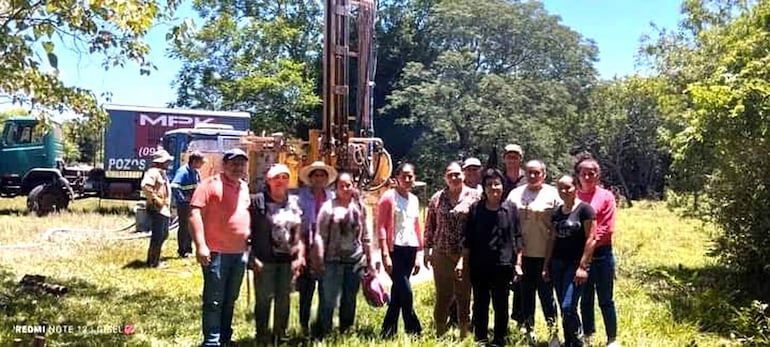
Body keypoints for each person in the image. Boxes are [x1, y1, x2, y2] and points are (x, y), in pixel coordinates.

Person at [189, 148, 251, 346]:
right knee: (214, 300)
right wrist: (200, 245)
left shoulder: (244, 187)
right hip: (216, 252)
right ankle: (212, 341)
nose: (237, 167)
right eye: (233, 163)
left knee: (230, 298)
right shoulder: (209, 185)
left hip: (239, 253)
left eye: (241, 164)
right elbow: (194, 214)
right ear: (224, 165)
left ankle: (225, 337)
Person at [463, 168, 522, 346]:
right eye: (489, 184)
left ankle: (499, 338)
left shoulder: (510, 209)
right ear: (484, 188)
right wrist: (463, 263)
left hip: (503, 265)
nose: (493, 187)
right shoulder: (475, 209)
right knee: (480, 303)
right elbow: (468, 238)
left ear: (502, 186)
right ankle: (481, 338)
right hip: (479, 264)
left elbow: (518, 237)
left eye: (497, 184)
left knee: (501, 303)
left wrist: (518, 263)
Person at [249, 163, 305, 345]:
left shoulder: (294, 202)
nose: (281, 181)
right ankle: (262, 336)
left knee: (284, 300)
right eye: (276, 178)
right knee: (264, 300)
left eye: (284, 177)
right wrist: (251, 257)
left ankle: (280, 334)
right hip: (264, 260)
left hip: (287, 261)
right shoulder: (257, 201)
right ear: (268, 180)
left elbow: (299, 231)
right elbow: (246, 231)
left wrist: (299, 256)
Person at [314, 172, 375, 337]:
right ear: (336, 188)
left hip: (354, 261)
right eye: (342, 186)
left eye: (348, 185)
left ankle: (346, 331)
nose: (346, 188)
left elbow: (366, 236)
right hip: (332, 261)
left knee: (349, 298)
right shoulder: (328, 207)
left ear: (353, 186)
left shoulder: (359, 208)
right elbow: (319, 235)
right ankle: (324, 332)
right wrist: (318, 257)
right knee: (328, 299)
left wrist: (370, 262)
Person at [424, 161, 480, 338]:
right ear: (445, 178)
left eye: (457, 174)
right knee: (443, 296)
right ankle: (439, 333)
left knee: (464, 296)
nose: (454, 178)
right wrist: (427, 250)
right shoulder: (437, 198)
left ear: (463, 175)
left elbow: (478, 226)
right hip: (441, 252)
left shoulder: (475, 197)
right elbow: (429, 225)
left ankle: (464, 334)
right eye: (450, 175)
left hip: (465, 254)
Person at [507, 159, 561, 345]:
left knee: (547, 297)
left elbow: (561, 222)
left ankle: (553, 333)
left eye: (536, 173)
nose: (532, 176)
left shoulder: (553, 194)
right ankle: (529, 330)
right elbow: (508, 224)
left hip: (546, 256)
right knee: (526, 296)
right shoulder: (514, 195)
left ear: (544, 174)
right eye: (529, 172)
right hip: (523, 256)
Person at [546, 175, 597, 347]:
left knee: (568, 307)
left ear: (576, 187)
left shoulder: (585, 210)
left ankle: (577, 340)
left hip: (575, 265)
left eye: (568, 187)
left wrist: (583, 266)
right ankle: (569, 341)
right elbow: (552, 239)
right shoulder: (557, 212)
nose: (564, 191)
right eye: (561, 188)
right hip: (557, 264)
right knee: (563, 307)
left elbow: (592, 238)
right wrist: (546, 266)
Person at [575, 155, 620, 347]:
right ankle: (588, 334)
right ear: (578, 175)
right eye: (583, 173)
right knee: (585, 298)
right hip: (580, 256)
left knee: (605, 299)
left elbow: (606, 229)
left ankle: (612, 339)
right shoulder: (573, 196)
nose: (587, 177)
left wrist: (589, 245)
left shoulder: (606, 196)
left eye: (591, 173)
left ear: (597, 175)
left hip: (602, 254)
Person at [377, 162, 423, 338]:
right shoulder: (389, 197)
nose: (407, 178)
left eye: (410, 175)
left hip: (410, 250)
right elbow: (381, 227)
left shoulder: (414, 200)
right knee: (406, 291)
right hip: (394, 250)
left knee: (397, 293)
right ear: (397, 178)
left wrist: (419, 253)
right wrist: (385, 255)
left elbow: (416, 227)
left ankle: (388, 332)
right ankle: (414, 330)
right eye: (404, 175)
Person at [296, 161, 336, 336]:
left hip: (328, 248)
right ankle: (304, 326)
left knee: (326, 291)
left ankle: (323, 327)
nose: (319, 178)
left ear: (327, 179)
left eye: (322, 175)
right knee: (306, 290)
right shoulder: (300, 197)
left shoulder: (333, 197)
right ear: (310, 179)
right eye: (316, 175)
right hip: (307, 245)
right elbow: (297, 226)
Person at [502, 144, 526, 325]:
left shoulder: (528, 179)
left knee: (520, 279)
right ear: (504, 158)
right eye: (509, 156)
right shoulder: (498, 179)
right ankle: (499, 319)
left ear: (521, 158)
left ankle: (520, 318)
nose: (512, 160)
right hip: (501, 235)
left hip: (523, 233)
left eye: (515, 156)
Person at [141, 149, 173, 268]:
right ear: (161, 161)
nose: (169, 163)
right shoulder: (153, 172)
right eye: (167, 161)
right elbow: (145, 186)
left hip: (163, 209)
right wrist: (155, 200)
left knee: (164, 234)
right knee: (158, 235)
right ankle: (153, 262)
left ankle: (155, 259)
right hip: (157, 209)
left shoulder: (161, 172)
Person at [171, 150, 206, 258]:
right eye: (201, 162)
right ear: (194, 161)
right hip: (185, 205)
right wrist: (182, 200)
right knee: (184, 227)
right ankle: (182, 251)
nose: (203, 164)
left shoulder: (196, 172)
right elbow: (174, 186)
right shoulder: (183, 172)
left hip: (193, 204)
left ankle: (189, 249)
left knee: (192, 226)